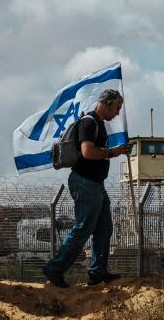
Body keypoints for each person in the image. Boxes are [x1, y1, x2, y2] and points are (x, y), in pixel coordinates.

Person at [42, 89, 132, 289]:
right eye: (116, 108)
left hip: (96, 184)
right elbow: (87, 152)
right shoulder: (89, 122)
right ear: (107, 104)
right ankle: (55, 268)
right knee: (83, 227)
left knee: (104, 229)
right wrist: (112, 152)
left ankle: (98, 273)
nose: (117, 113)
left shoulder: (99, 124)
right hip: (85, 183)